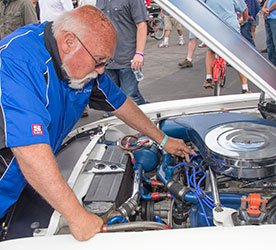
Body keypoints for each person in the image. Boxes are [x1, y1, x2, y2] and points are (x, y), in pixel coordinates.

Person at [0, 6, 195, 241]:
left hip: (26, 183)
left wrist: (162, 139)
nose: (102, 70)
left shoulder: (80, 65)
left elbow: (120, 103)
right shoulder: (17, 62)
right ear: (69, 42)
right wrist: (75, 215)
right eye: (99, 61)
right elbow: (29, 151)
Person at [96, 0, 147, 105]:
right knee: (111, 99)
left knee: (130, 96)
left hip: (128, 58)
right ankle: (143, 114)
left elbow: (141, 25)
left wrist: (139, 53)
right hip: (107, 60)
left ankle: (145, 117)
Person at [203, 0, 250, 94]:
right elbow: (244, 9)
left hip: (214, 27)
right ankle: (245, 88)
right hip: (231, 28)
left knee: (210, 51)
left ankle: (208, 78)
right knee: (238, 58)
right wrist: (244, 20)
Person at [262, 0, 276, 66]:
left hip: (274, 18)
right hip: (268, 17)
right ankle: (272, 64)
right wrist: (264, 8)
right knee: (270, 43)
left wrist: (268, 10)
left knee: (274, 42)